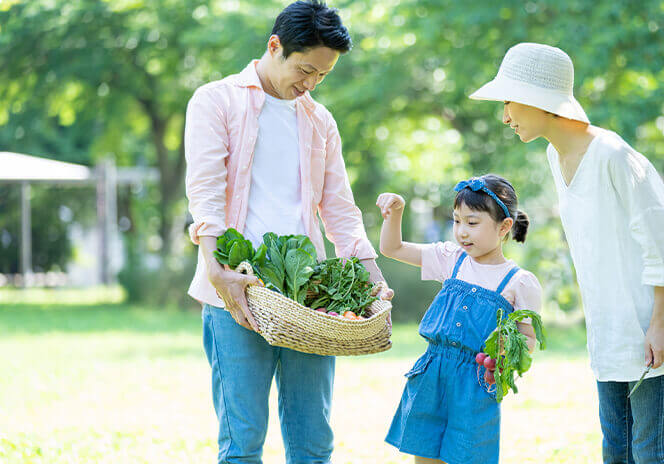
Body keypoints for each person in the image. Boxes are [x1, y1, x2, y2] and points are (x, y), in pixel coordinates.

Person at [470, 42, 664, 463]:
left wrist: (661, 324)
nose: (504, 116)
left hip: (651, 325)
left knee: (651, 452)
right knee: (616, 450)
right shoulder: (553, 154)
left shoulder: (614, 156)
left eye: (509, 101)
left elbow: (663, 242)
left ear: (539, 101)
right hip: (609, 329)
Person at [184, 1, 392, 462]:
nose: (311, 84)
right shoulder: (216, 101)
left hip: (307, 297)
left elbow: (339, 207)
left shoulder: (319, 120)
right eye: (305, 69)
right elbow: (206, 194)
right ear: (274, 46)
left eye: (323, 75)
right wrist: (215, 271)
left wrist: (372, 273)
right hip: (236, 293)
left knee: (313, 441)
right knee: (242, 442)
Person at [377, 174, 542, 464]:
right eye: (457, 221)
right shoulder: (452, 259)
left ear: (504, 227)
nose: (462, 231)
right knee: (425, 454)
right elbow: (392, 248)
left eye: (472, 223)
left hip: (476, 383)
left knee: (468, 454)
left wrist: (509, 348)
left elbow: (529, 339)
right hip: (432, 373)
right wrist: (396, 211)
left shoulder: (519, 282)